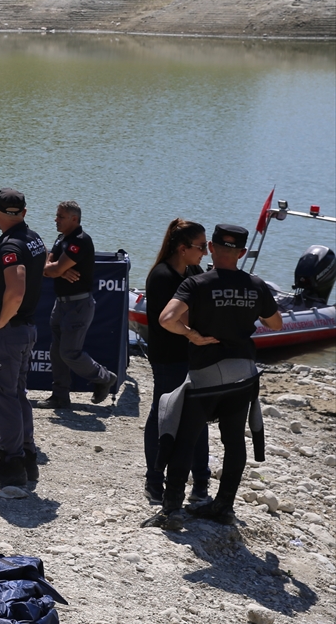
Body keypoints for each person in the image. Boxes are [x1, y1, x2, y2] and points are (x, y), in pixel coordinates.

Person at [143, 224, 282, 530]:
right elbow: (276, 324)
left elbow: (166, 319)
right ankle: (223, 506)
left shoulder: (197, 284)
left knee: (184, 437)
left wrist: (191, 334)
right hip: (243, 375)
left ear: (213, 249)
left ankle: (172, 510)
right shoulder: (256, 284)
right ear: (242, 253)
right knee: (234, 441)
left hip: (206, 375)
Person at [0, 188, 45, 490]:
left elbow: (16, 288)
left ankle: (11, 465)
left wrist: (2, 320)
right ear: (25, 213)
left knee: (3, 400)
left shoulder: (12, 245)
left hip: (8, 333)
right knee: (16, 396)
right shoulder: (33, 238)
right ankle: (27, 460)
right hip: (26, 330)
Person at [141, 219, 210, 504]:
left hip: (194, 355)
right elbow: (176, 320)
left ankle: (201, 483)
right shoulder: (161, 276)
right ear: (183, 249)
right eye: (201, 247)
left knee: (199, 418)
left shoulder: (193, 270)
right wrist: (194, 333)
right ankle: (155, 480)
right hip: (169, 357)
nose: (205, 252)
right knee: (164, 415)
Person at [34, 201, 117, 409]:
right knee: (56, 352)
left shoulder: (80, 241)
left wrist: (57, 269)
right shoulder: (61, 239)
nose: (56, 219)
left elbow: (51, 270)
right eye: (56, 215)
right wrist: (58, 268)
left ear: (74, 219)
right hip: (60, 304)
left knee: (69, 353)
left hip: (78, 305)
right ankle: (60, 395)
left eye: (60, 216)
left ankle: (104, 377)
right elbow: (46, 266)